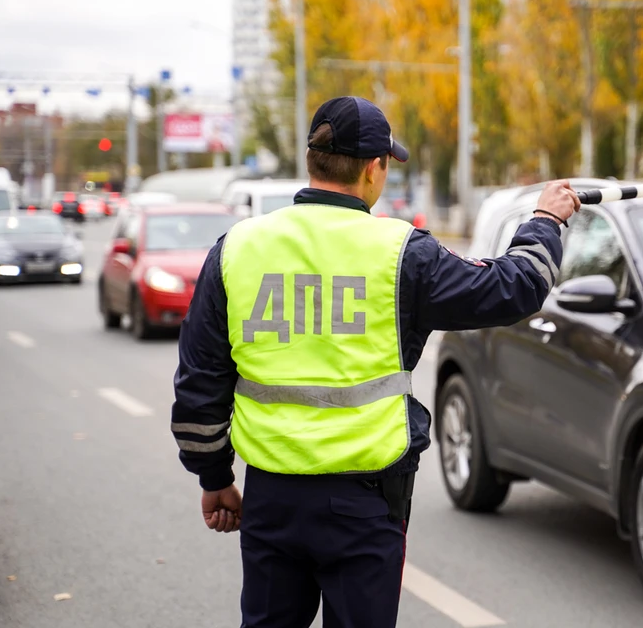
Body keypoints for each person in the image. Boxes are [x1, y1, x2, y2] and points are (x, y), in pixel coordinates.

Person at [171, 95, 580, 628]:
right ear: (373, 168)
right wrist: (546, 219)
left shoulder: (238, 247)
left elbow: (200, 381)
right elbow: (515, 288)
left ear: (314, 161)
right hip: (364, 505)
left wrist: (214, 477)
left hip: (272, 496)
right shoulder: (402, 252)